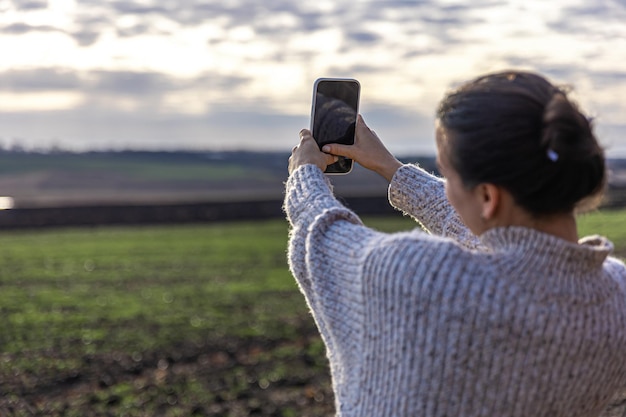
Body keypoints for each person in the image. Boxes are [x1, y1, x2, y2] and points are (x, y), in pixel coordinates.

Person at [284, 70, 626, 417]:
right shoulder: (617, 296)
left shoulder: (427, 277)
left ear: (488, 196)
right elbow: (489, 235)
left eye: (448, 175)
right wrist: (391, 168)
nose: (446, 185)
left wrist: (304, 176)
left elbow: (322, 236)